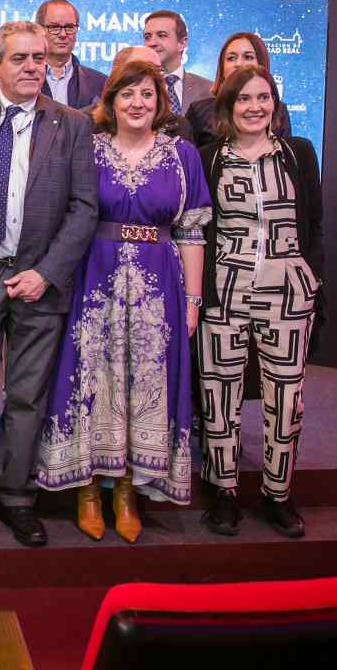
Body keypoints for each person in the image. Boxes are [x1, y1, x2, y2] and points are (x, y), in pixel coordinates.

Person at [36, 60, 210, 543]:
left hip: (159, 287)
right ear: (110, 102)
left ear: (161, 102)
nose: (138, 103)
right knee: (90, 380)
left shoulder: (183, 157)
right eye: (127, 95)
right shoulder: (87, 149)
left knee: (144, 383)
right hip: (94, 278)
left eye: (147, 95)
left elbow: (192, 232)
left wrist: (193, 300)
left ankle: (127, 491)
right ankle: (89, 490)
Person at [0, 21, 97, 549]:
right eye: (19, 59)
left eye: (37, 58)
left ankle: (17, 498)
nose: (32, 66)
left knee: (27, 398)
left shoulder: (72, 124)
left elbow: (83, 208)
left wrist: (46, 272)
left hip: (39, 277)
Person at [197, 65, 322, 540]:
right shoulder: (211, 158)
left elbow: (315, 222)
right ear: (228, 107)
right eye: (244, 99)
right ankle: (224, 491)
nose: (255, 107)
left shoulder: (298, 153)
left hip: (288, 292)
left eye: (263, 98)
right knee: (220, 395)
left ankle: (278, 494)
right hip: (225, 291)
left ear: (275, 104)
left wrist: (313, 278)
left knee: (285, 400)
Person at [185, 32, 293, 147]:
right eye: (231, 58)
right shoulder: (199, 111)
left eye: (248, 57)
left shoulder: (279, 110)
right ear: (222, 67)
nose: (239, 64)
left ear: (261, 64)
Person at [97, 46, 194, 142]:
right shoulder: (87, 125)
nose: (137, 104)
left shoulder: (180, 129)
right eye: (140, 68)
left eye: (158, 70)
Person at [35, 0, 106, 109]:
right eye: (54, 27)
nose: (63, 34)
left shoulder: (100, 83)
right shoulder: (23, 78)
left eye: (69, 27)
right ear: (39, 30)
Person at [141, 9, 212, 114]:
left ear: (182, 43)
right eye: (147, 37)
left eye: (161, 35)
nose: (152, 43)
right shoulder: (134, 87)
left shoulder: (208, 89)